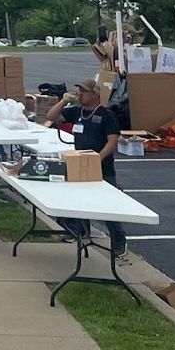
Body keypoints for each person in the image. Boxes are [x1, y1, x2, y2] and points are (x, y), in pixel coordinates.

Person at [43, 79, 127, 258]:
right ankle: (80, 231)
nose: (80, 94)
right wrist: (64, 101)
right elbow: (51, 117)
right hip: (80, 165)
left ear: (95, 94)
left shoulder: (106, 115)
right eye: (79, 91)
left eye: (84, 91)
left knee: (107, 207)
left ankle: (119, 241)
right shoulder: (76, 112)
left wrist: (97, 158)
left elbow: (112, 141)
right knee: (78, 201)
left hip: (102, 168)